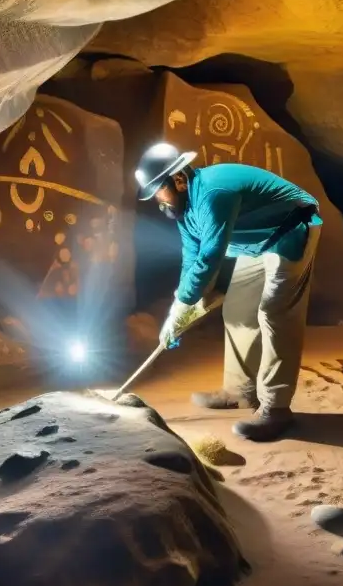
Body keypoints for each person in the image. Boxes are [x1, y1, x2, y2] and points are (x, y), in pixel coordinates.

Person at [134, 142, 322, 441]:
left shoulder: (212, 193)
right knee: (237, 309)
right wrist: (177, 307)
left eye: (159, 189)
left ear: (179, 179)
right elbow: (191, 256)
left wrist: (184, 305)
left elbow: (211, 254)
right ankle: (240, 392)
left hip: (290, 230)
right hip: (254, 242)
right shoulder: (183, 208)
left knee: (274, 312)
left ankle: (276, 409)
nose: (158, 199)